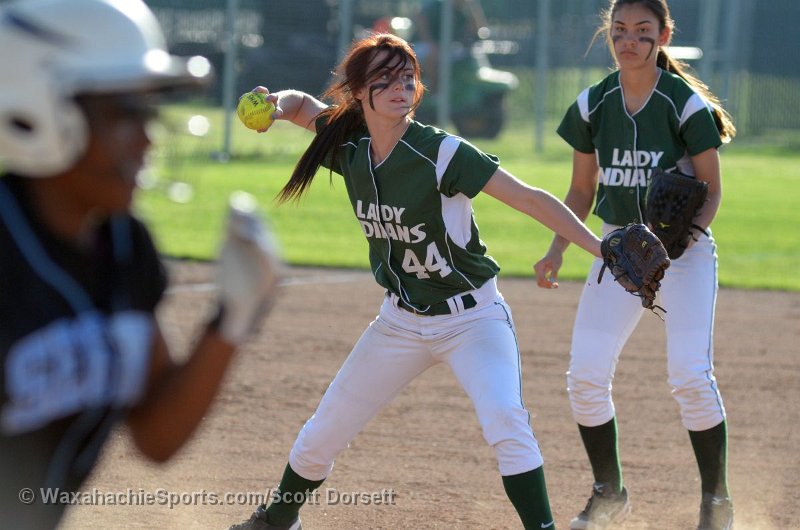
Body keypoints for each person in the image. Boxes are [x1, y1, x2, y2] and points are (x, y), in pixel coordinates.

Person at [229, 32, 606, 530]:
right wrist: (275, 105)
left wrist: (602, 248)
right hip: (399, 322)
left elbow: (529, 197)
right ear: (358, 92)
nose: (400, 87)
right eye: (384, 79)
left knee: (506, 421)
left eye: (407, 78)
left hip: (472, 319)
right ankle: (279, 520)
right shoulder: (347, 141)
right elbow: (301, 106)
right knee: (325, 429)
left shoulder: (442, 152)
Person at [0, 1, 280, 528]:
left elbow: (155, 436)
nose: (148, 137)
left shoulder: (124, 246)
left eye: (147, 112)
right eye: (124, 112)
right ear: (35, 109)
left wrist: (233, 320)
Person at [533, 1, 736, 529]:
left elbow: (712, 190)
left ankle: (717, 503)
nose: (630, 40)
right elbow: (581, 190)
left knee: (690, 376)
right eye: (620, 30)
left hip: (683, 252)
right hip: (619, 248)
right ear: (610, 35)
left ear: (663, 36)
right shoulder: (592, 105)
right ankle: (609, 494)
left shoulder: (683, 103)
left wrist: (682, 242)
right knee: (585, 375)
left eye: (643, 31)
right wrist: (557, 249)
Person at [412, 0, 488, 90]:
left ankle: (453, 91)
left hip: (448, 48)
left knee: (467, 56)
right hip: (423, 45)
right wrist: (430, 43)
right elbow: (419, 16)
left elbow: (479, 29)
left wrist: (473, 5)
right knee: (432, 56)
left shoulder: (462, 12)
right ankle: (434, 92)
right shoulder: (439, 5)